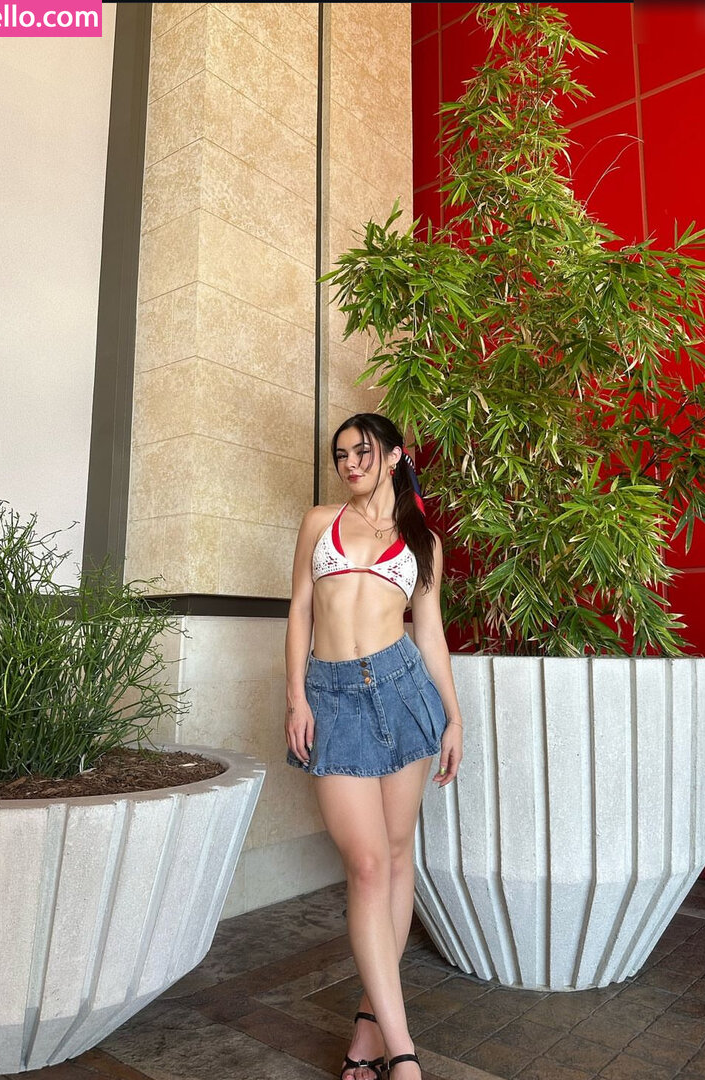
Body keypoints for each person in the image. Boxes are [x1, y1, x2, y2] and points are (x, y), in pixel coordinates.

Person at [285, 413, 464, 1080]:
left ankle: (368, 1028)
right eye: (341, 455)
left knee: (394, 855)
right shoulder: (319, 522)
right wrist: (297, 696)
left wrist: (454, 718)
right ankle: (404, 1051)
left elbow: (430, 635)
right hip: (331, 697)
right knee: (364, 866)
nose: (350, 463)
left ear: (394, 456)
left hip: (402, 690)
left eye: (362, 451)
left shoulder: (423, 541)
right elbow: (300, 610)